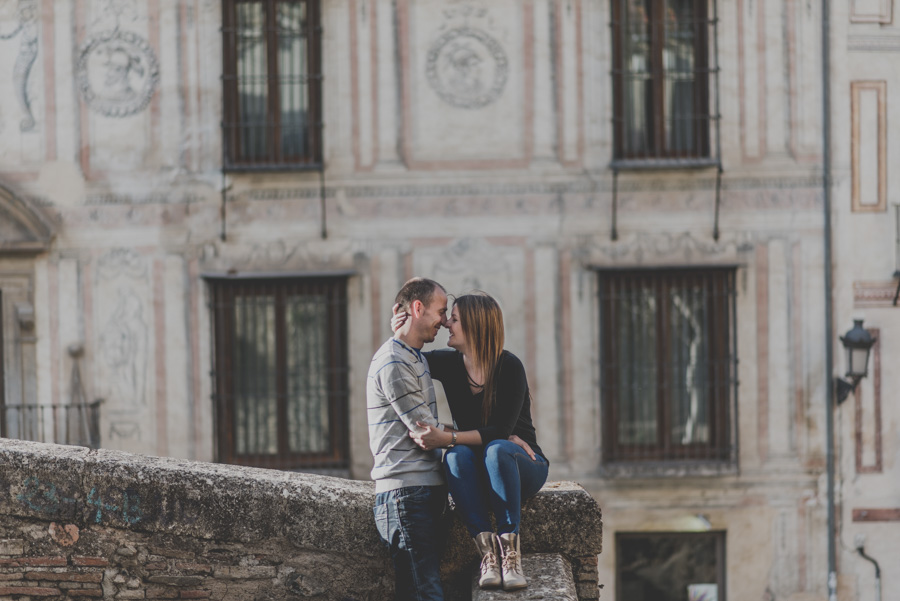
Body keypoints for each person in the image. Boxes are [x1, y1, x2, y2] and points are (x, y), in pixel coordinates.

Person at [394, 292, 549, 591]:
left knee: (497, 449)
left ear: (475, 327)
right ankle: (488, 556)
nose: (446, 324)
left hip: (520, 465)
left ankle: (511, 557)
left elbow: (499, 432)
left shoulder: (509, 366)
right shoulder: (448, 364)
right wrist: (399, 330)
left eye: (454, 319)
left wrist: (446, 436)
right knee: (454, 456)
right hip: (481, 466)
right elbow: (404, 360)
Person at [367, 277, 450, 601]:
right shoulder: (394, 361)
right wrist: (480, 438)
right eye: (440, 311)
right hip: (405, 495)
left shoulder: (414, 356)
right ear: (418, 308)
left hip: (419, 492)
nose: (443, 320)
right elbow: (426, 432)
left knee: (420, 590)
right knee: (425, 592)